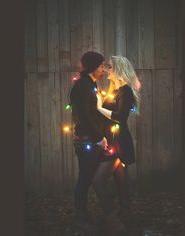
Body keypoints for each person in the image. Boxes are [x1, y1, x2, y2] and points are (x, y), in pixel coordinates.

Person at [92, 55, 141, 234]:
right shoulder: (115, 90)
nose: (106, 70)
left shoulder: (125, 91)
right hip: (112, 139)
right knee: (120, 180)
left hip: (118, 140)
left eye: (110, 67)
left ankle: (114, 221)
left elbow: (120, 117)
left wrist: (98, 107)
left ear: (119, 69)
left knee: (98, 180)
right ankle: (125, 215)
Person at [69, 51, 108, 231]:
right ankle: (81, 217)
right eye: (101, 65)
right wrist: (99, 138)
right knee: (84, 180)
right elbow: (84, 116)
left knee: (89, 178)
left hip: (91, 140)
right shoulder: (83, 86)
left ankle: (93, 214)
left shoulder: (90, 84)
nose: (103, 69)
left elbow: (91, 112)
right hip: (87, 141)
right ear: (93, 66)